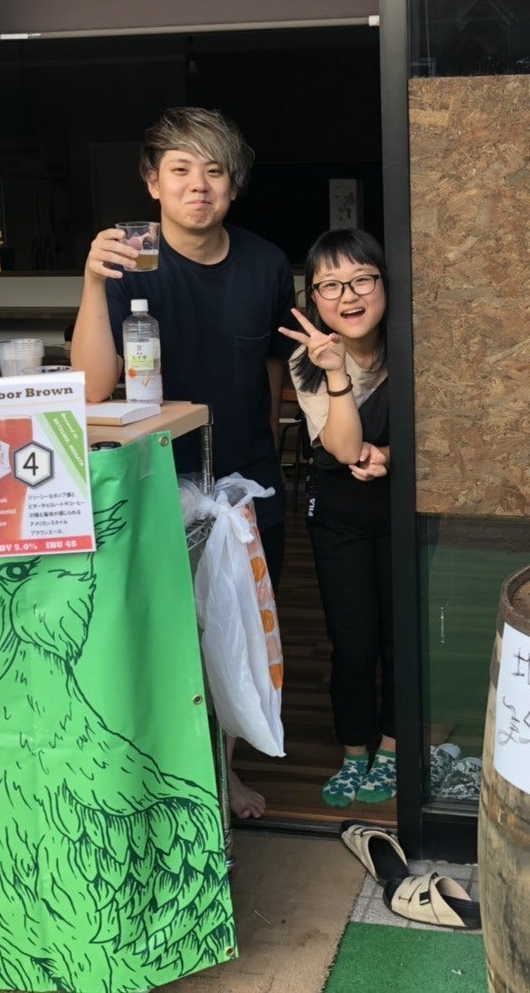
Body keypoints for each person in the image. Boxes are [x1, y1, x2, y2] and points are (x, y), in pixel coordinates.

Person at [71, 106, 294, 819]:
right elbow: (90, 388)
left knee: (237, 635)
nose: (199, 185)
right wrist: (90, 283)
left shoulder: (266, 264)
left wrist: (271, 462)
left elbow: (271, 377)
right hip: (153, 485)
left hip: (244, 483)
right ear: (152, 182)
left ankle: (224, 774)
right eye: (180, 169)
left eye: (215, 170)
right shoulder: (128, 260)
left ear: (234, 184)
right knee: (167, 636)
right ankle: (172, 779)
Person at [277, 228, 396, 807]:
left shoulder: (415, 343)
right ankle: (354, 751)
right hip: (339, 513)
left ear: (385, 284)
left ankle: (393, 747)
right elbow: (345, 448)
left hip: (403, 509)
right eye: (330, 285)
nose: (348, 296)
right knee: (352, 642)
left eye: (362, 279)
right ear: (315, 298)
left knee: (400, 635)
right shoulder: (309, 359)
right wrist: (335, 371)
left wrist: (393, 456)